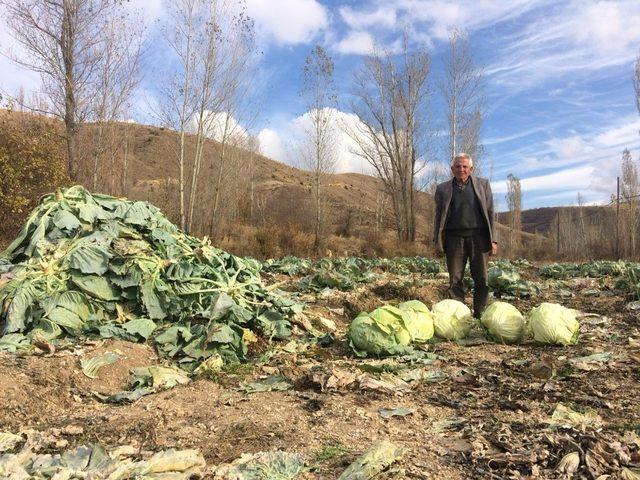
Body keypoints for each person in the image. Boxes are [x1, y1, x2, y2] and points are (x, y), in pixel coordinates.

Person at [433, 153, 497, 318]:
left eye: (464, 166)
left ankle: (480, 314)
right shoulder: (443, 189)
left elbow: (490, 213)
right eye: (458, 166)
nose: (461, 169)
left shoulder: (483, 185)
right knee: (455, 279)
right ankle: (459, 316)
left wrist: (493, 240)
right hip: (454, 239)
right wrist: (437, 241)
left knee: (482, 279)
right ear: (452, 168)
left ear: (471, 169)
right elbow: (438, 217)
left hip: (479, 238)